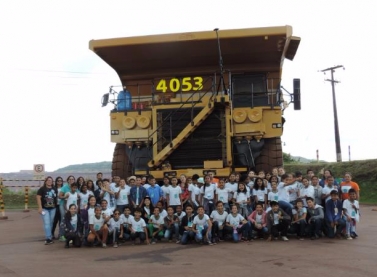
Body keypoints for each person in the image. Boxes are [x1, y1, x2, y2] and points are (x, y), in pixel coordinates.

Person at [36, 176, 58, 245]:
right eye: (48, 180)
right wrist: (40, 207)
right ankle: (48, 238)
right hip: (44, 209)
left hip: (53, 208)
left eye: (51, 180)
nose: (49, 181)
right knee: (47, 223)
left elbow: (55, 198)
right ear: (45, 181)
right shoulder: (42, 189)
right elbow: (38, 198)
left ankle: (50, 236)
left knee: (51, 223)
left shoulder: (54, 189)